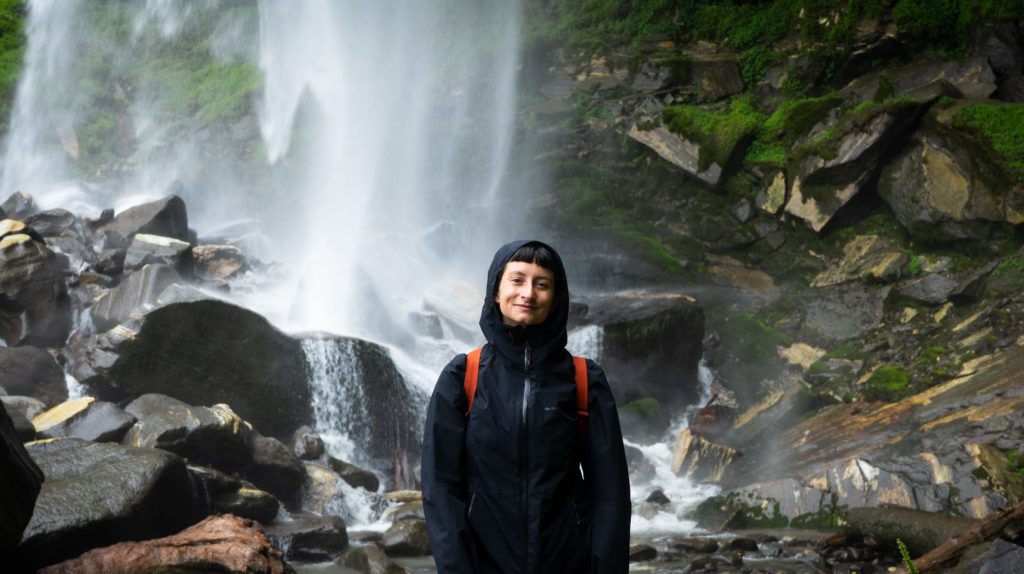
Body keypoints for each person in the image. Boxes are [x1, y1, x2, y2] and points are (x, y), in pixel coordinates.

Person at [421, 240, 631, 574]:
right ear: (495, 291)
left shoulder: (584, 380)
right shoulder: (463, 377)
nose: (528, 293)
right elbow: (440, 488)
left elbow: (611, 497)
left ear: (556, 298)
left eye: (541, 283)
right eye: (517, 280)